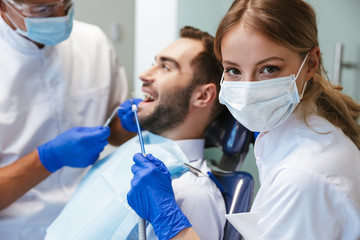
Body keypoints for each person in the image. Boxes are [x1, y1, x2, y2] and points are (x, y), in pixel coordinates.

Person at [126, 0, 360, 239]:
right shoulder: (284, 137)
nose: (247, 90)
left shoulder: (304, 175)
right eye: (234, 71)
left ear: (310, 64)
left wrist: (169, 221)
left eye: (269, 69)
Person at [45, 26, 226, 240]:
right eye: (154, 64)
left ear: (203, 95)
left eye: (166, 67)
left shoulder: (190, 192)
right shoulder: (136, 150)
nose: (144, 75)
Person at [0, 0, 132, 239]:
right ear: (3, 7)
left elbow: (114, 131)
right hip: (17, 231)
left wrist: (128, 122)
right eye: (44, 9)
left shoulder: (94, 42)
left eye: (66, 4)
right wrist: (48, 158)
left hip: (91, 220)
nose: (60, 16)